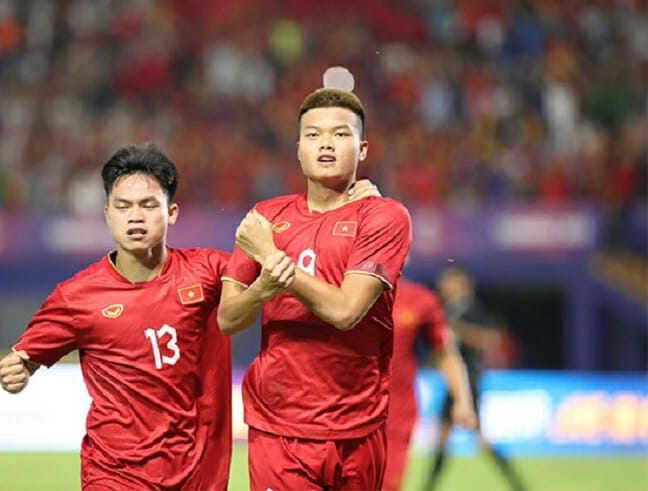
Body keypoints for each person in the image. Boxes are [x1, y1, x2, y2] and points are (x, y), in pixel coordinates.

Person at [0, 145, 233, 490]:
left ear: (172, 213)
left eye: (148, 205)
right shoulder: (76, 296)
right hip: (113, 475)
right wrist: (15, 371)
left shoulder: (211, 272)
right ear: (108, 215)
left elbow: (276, 279)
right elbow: (24, 359)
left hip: (197, 474)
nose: (135, 216)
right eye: (123, 207)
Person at [218, 70, 413, 490]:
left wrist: (273, 259)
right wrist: (261, 290)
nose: (326, 143)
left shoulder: (384, 216)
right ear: (298, 149)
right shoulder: (265, 217)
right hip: (279, 427)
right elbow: (228, 319)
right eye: (313, 135)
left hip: (359, 428)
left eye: (340, 134)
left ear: (362, 149)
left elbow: (345, 312)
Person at [423, 265, 527, 491]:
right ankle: (428, 486)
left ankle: (518, 484)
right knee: (442, 437)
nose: (444, 285)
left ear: (463, 284)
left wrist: (457, 330)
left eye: (449, 281)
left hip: (468, 380)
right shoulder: (448, 310)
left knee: (480, 439)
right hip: (452, 382)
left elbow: (489, 339)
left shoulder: (472, 309)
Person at [383, 276, 478, 491]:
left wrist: (463, 400)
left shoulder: (421, 300)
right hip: (341, 413)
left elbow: (446, 353)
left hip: (396, 417)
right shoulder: (339, 289)